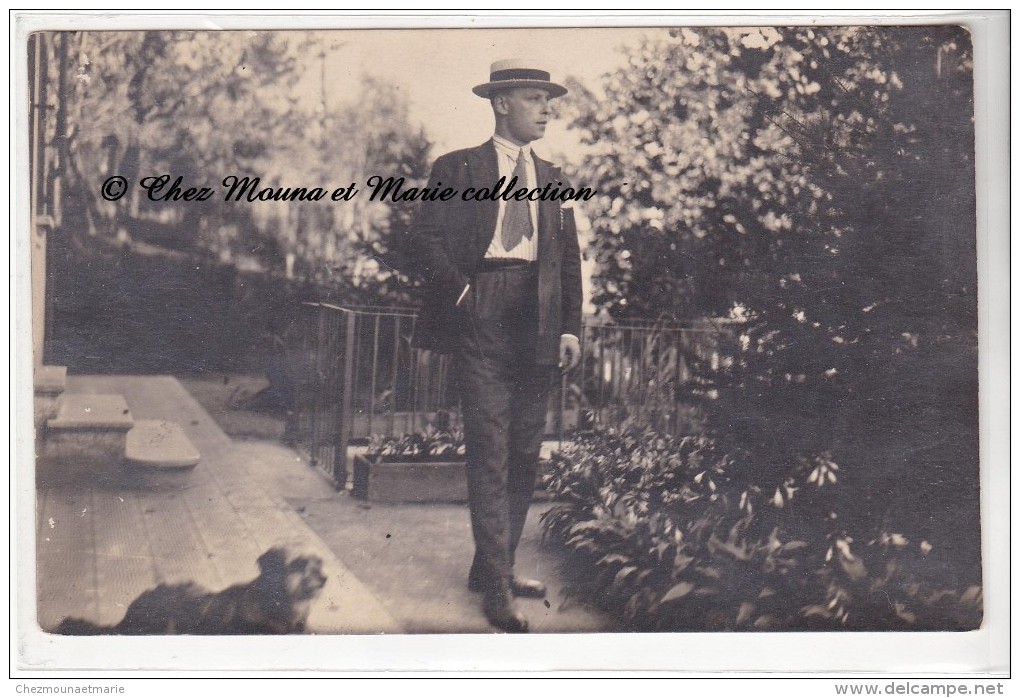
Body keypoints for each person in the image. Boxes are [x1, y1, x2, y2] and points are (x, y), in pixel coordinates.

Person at [405, 59, 583, 632]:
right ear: (502, 103)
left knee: (528, 447)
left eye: (548, 100)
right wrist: (462, 294)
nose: (547, 109)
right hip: (482, 308)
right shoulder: (457, 168)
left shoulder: (553, 176)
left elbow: (569, 261)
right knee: (491, 447)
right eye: (536, 98)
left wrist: (569, 327)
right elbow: (426, 238)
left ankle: (493, 567)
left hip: (537, 315)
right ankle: (497, 584)